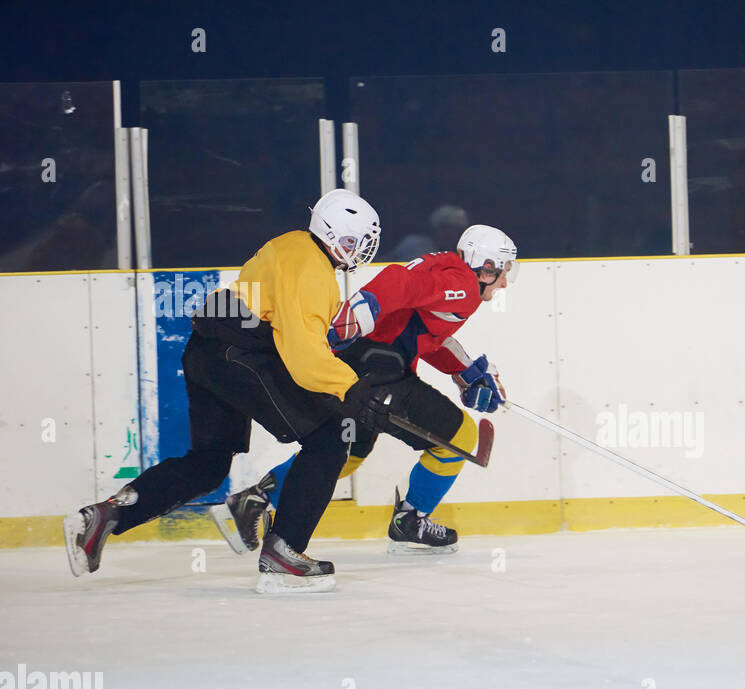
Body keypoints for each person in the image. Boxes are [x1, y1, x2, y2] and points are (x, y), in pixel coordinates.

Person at [65, 188, 386, 593]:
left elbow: (289, 341)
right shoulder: (314, 270)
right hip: (237, 354)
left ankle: (105, 517)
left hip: (207, 350)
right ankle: (284, 553)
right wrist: (351, 389)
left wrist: (342, 386)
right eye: (359, 240)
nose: (363, 249)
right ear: (340, 236)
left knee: (208, 463)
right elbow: (304, 360)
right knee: (331, 437)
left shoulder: (290, 243)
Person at [210, 225, 517, 556]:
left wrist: (465, 371)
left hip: (361, 364)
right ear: (485, 267)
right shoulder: (464, 287)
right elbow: (399, 282)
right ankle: (411, 520)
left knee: (345, 451)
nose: (503, 283)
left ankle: (253, 500)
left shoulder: (446, 267)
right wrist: (358, 311)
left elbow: (426, 334)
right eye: (502, 273)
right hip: (383, 370)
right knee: (460, 438)